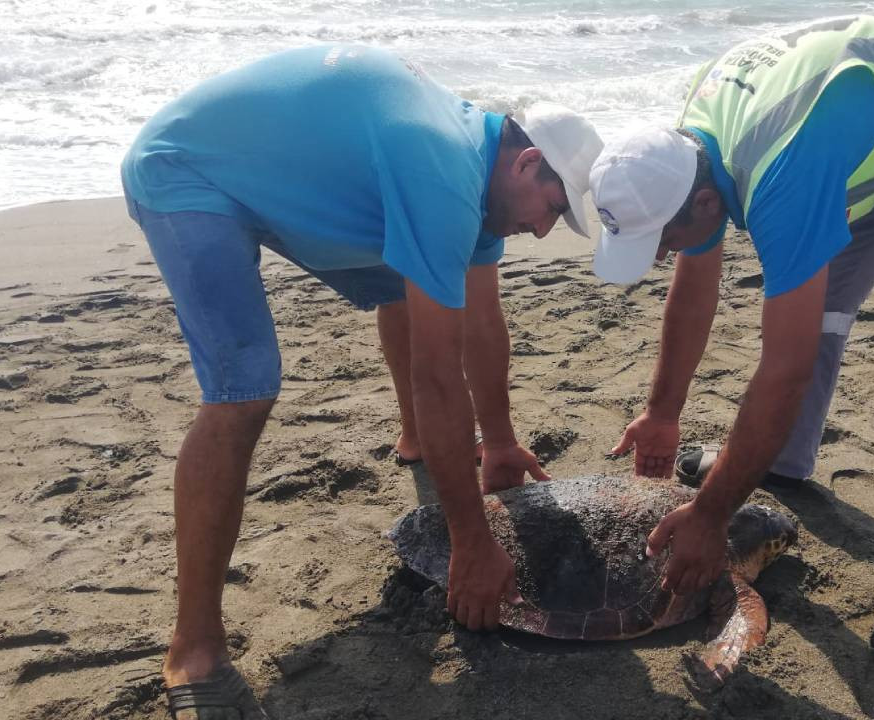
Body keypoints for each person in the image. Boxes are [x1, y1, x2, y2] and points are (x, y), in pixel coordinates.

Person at [121, 45, 603, 716]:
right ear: (526, 161)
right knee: (244, 388)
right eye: (553, 207)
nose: (545, 230)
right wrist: (470, 542)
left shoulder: (483, 182)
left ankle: (415, 438)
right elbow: (440, 374)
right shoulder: (443, 169)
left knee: (413, 290)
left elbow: (483, 328)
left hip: (282, 177)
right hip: (186, 170)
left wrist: (496, 443)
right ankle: (194, 649)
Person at [590, 11, 874, 662]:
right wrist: (661, 412)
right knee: (828, 301)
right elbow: (696, 278)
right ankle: (782, 462)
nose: (663, 255)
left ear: (699, 204)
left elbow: (786, 366)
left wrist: (712, 515)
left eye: (660, 239)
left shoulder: (782, 173)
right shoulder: (687, 148)